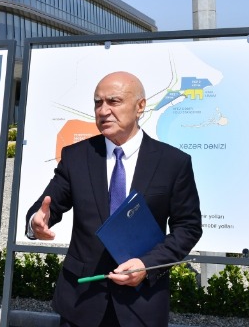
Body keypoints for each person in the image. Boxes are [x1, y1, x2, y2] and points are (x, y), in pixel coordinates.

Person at [26, 71, 202, 327]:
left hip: (142, 305)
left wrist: (146, 265)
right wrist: (37, 222)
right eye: (98, 102)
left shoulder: (173, 163)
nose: (103, 110)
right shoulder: (76, 156)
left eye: (114, 101)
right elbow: (47, 205)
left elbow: (188, 227)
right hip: (81, 303)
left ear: (140, 106)